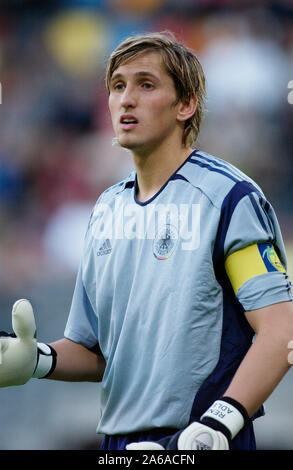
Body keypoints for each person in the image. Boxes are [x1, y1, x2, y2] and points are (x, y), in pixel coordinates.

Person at [1, 31, 293, 451]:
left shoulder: (229, 198)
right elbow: (97, 352)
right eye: (118, 86)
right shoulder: (104, 209)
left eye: (146, 84)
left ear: (186, 105)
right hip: (116, 445)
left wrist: (219, 422)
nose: (126, 99)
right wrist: (37, 359)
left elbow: (280, 329)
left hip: (201, 439)